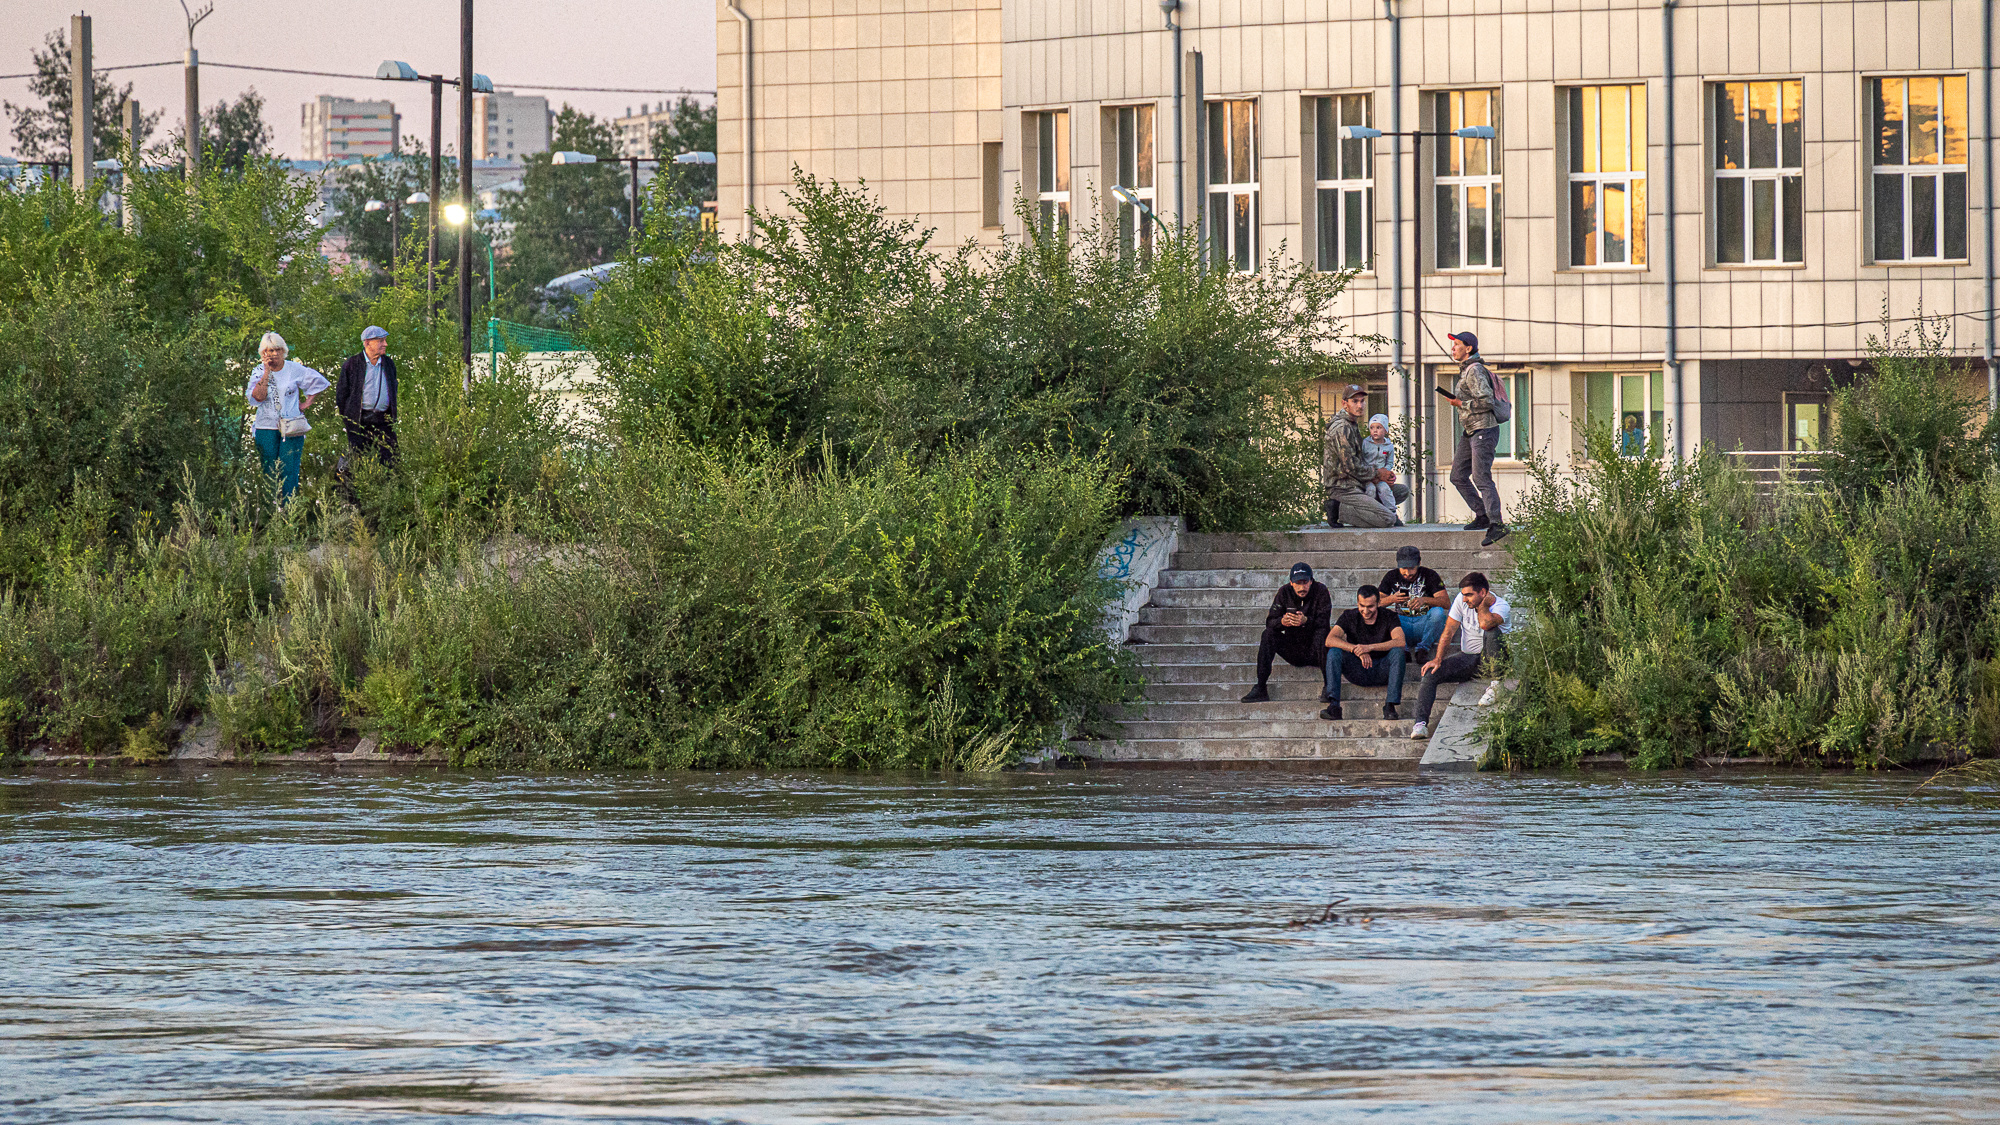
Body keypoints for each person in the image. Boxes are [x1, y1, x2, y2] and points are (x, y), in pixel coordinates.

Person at [1409, 571, 1511, 740]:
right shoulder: (1461, 601)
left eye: (1469, 595)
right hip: (1469, 658)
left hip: (1496, 659)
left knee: (1492, 632)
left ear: (1483, 593)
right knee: (1430, 673)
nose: (1465, 599)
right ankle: (1420, 724)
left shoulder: (1501, 606)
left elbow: (1486, 624)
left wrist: (1483, 606)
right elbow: (1449, 630)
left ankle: (1497, 683)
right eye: (1463, 595)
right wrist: (1438, 659)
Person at [1437, 331, 1509, 546]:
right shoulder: (1467, 370)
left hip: (1484, 430)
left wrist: (1461, 404)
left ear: (1468, 348)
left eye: (1457, 344)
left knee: (1480, 477)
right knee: (1458, 475)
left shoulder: (1474, 370)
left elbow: (1486, 402)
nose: (1453, 348)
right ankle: (1482, 514)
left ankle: (1497, 524)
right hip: (1471, 431)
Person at [245, 331, 330, 501]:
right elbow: (258, 397)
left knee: (289, 470)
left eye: (277, 350)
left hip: (291, 426)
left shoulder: (294, 369)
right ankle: (270, 512)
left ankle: (289, 511)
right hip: (266, 427)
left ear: (284, 351)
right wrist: (267, 372)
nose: (274, 354)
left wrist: (305, 403)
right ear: (263, 353)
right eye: (269, 351)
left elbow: (318, 382)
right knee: (268, 471)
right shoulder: (258, 371)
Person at [1241, 562, 1331, 704]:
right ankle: (1261, 687)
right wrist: (1282, 621)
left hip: (1316, 650)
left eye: (1305, 582)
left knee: (1323, 633)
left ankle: (1329, 687)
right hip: (1293, 648)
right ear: (1291, 583)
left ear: (1311, 581)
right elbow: (1270, 621)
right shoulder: (1284, 592)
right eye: (1298, 583)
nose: (1302, 587)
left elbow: (1324, 622)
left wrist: (1306, 620)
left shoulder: (1321, 591)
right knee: (1268, 634)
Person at [1323, 384, 1409, 528]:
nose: (1360, 405)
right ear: (1345, 404)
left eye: (1362, 401)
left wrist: (1379, 477)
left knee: (1401, 491)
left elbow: (1361, 460)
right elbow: (1350, 467)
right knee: (1388, 519)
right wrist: (1377, 473)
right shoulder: (1342, 428)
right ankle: (1339, 510)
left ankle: (1363, 509)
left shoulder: (1352, 424)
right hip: (1343, 488)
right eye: (1355, 401)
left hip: (1358, 482)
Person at [1321, 585, 1407, 721]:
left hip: (1381, 669)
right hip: (1357, 669)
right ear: (1357, 603)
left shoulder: (1389, 616)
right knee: (1333, 652)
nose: (1365, 611)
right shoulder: (1349, 616)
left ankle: (1390, 705)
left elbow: (1400, 641)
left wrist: (1370, 648)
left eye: (1370, 606)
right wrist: (1356, 649)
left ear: (1379, 603)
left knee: (1398, 652)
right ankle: (1334, 706)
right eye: (1362, 606)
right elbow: (1330, 639)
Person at [336, 325, 399, 465]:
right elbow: (342, 395)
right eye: (381, 341)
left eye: (385, 340)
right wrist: (348, 418)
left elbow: (394, 389)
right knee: (359, 461)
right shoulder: (352, 364)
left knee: (391, 459)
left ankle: (389, 486)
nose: (385, 344)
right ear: (367, 343)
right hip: (360, 420)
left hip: (384, 420)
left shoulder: (388, 364)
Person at [1378, 544, 1450, 662]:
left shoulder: (1430, 575)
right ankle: (1403, 649)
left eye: (1411, 568)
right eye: (1403, 568)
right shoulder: (1391, 576)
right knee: (1383, 614)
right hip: (1402, 624)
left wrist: (1425, 600)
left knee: (1438, 612)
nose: (1407, 573)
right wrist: (1392, 599)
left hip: (1423, 623)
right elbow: (1376, 604)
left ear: (1419, 563)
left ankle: (1423, 648)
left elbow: (1446, 603)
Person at [1362, 413, 1399, 515]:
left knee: (1385, 490)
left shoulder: (1389, 446)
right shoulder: (1365, 443)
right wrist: (1369, 472)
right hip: (1368, 476)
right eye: (1372, 428)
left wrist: (1386, 472)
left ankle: (1392, 513)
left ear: (1385, 430)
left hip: (1382, 477)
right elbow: (1361, 459)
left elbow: (1389, 462)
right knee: (1370, 490)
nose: (1375, 430)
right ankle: (1369, 513)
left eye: (1378, 427)